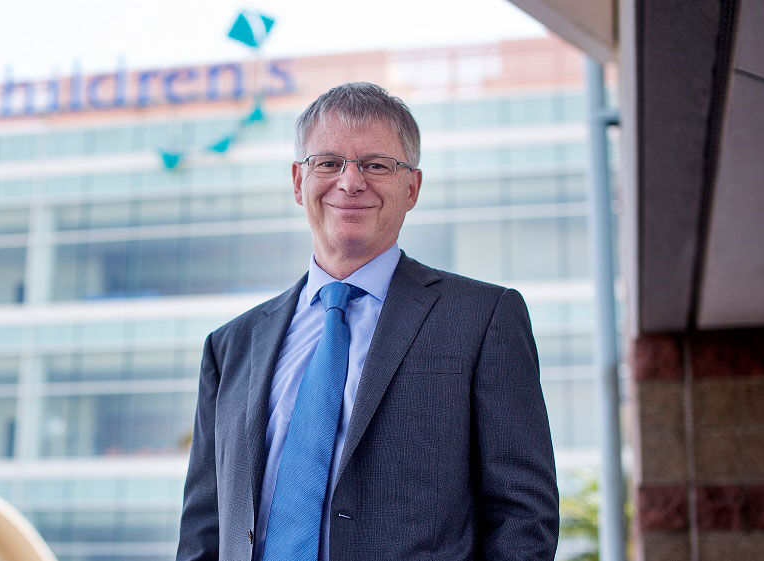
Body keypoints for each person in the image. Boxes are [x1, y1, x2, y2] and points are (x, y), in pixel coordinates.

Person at [177, 82, 559, 561]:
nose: (351, 181)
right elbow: (204, 528)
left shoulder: (484, 320)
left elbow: (523, 518)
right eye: (329, 162)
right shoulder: (232, 345)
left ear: (412, 187)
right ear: (299, 181)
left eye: (377, 165)